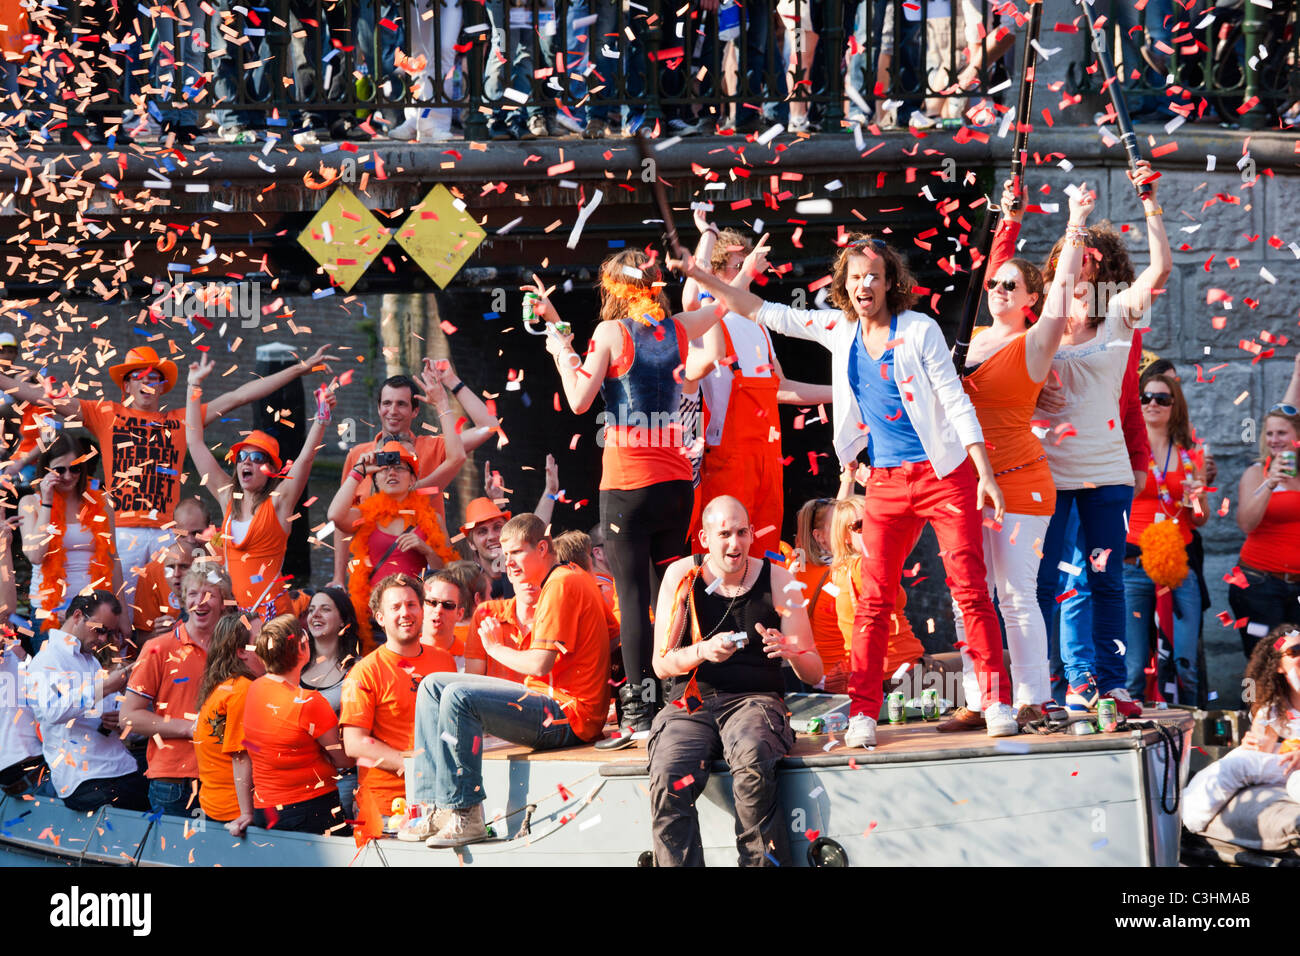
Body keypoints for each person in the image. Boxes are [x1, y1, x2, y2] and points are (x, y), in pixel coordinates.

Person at [686, 232, 1012, 744]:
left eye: (874, 277)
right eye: (856, 277)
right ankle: (863, 710)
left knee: (970, 590)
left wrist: (985, 474)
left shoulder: (920, 329)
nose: (864, 285)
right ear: (844, 284)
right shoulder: (838, 328)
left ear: (889, 284)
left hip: (943, 473)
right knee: (873, 598)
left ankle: (995, 700)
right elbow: (763, 310)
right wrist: (704, 278)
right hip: (883, 478)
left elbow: (955, 401)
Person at [527, 247, 732, 748]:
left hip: (628, 485)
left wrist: (559, 348)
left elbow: (578, 399)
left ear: (612, 288)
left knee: (636, 598)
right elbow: (726, 303)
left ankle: (640, 714)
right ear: (655, 283)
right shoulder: (680, 326)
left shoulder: (610, 333)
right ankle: (685, 696)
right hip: (675, 484)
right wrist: (738, 271)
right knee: (674, 592)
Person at [0, 343, 337, 584]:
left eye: (154, 376)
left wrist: (300, 367)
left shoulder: (181, 422)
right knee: (124, 616)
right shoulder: (104, 414)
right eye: (140, 376)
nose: (148, 382)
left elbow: (241, 395)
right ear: (127, 383)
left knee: (172, 617)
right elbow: (39, 397)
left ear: (162, 385)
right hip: (123, 533)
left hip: (169, 536)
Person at [945, 181, 1091, 727]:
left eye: (1013, 286)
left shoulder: (1034, 343)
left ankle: (1034, 696)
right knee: (968, 596)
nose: (1001, 288)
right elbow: (997, 263)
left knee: (1013, 593)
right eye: (997, 284)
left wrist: (1075, 218)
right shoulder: (968, 338)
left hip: (1018, 482)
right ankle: (982, 698)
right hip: (962, 482)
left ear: (1030, 299)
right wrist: (1009, 214)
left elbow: (1061, 294)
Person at [1033, 163, 1171, 717]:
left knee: (1104, 580)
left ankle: (1112, 684)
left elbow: (1160, 267)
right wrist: (1075, 222)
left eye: (1095, 267)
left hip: (1107, 476)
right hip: (1049, 475)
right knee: (1058, 582)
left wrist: (1150, 201)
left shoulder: (1117, 318)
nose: (1085, 275)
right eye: (1077, 267)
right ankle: (1062, 682)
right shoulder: (1039, 328)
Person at [399, 514, 617, 847]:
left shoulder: (560, 584)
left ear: (542, 548)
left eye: (516, 553)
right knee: (433, 686)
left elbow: (540, 664)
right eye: (505, 553)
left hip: (568, 715)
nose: (507, 562)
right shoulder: (573, 576)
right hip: (552, 704)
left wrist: (494, 648)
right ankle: (435, 807)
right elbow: (615, 635)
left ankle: (467, 812)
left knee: (458, 696)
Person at [648, 495, 822, 866]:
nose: (735, 543)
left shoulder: (779, 577)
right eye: (724, 533)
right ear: (704, 537)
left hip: (754, 700)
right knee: (667, 773)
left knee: (753, 757)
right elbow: (661, 665)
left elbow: (815, 671)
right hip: (690, 704)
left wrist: (791, 649)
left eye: (742, 532)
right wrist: (703, 651)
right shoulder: (682, 575)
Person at [682, 218, 833, 555]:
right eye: (738, 265)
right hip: (728, 456)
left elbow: (779, 388)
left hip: (767, 455)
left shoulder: (759, 326)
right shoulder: (708, 317)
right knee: (723, 551)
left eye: (748, 266)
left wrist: (841, 392)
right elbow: (691, 297)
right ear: (717, 273)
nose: (750, 274)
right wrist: (709, 234)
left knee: (764, 547)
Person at [187, 357, 336, 623]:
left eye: (257, 459)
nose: (246, 462)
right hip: (233, 618)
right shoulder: (227, 497)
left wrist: (321, 419)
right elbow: (195, 442)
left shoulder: (280, 502)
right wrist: (193, 385)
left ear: (270, 471)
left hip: (272, 616)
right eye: (243, 456)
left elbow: (305, 461)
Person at [332, 362, 498, 584]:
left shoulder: (433, 447)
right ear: (379, 407)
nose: (392, 411)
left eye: (401, 404)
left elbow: (489, 426)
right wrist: (338, 578)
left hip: (424, 575)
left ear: (415, 410)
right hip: (372, 578)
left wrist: (450, 384)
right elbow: (341, 521)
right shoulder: (359, 456)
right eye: (387, 403)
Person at [343, 573, 453, 843]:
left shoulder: (445, 662)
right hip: (387, 810)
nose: (405, 613)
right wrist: (416, 766)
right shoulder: (363, 672)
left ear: (422, 609)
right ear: (380, 617)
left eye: (411, 604)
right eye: (395, 607)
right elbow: (354, 744)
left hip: (442, 801)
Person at [1122, 373, 1208, 703]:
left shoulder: (1190, 454)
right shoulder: (1126, 449)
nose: (1152, 404)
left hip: (1178, 565)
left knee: (1185, 661)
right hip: (1133, 565)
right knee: (1132, 666)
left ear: (1174, 406)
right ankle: (1134, 734)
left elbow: (1199, 519)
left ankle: (1192, 739)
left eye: (1162, 398)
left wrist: (1197, 496)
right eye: (1145, 398)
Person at [121, 564, 233, 816]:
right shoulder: (157, 648)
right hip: (174, 780)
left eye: (209, 594)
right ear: (183, 601)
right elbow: (128, 717)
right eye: (193, 594)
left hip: (226, 777)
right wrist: (189, 728)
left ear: (224, 602)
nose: (200, 601)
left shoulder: (237, 650)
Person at [329, 439, 460, 652]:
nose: (392, 473)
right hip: (375, 621)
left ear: (412, 479)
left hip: (418, 619)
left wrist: (425, 549)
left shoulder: (432, 519)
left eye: (400, 468)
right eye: (384, 469)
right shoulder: (364, 516)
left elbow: (447, 575)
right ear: (376, 480)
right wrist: (359, 471)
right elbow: (335, 515)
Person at [25, 590, 147, 811]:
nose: (102, 639)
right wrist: (106, 686)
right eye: (100, 630)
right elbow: (51, 710)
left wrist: (121, 720)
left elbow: (110, 713)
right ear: (78, 616)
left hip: (120, 768)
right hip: (87, 779)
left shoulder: (91, 661)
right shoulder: (47, 659)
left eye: (108, 633)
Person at [241, 614, 355, 834]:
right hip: (309, 809)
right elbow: (344, 758)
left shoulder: (254, 689)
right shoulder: (308, 702)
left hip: (266, 810)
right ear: (302, 649)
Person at [1182, 625, 1300, 833]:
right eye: (1295, 652)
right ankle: (1184, 826)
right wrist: (1254, 743)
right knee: (1236, 761)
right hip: (1290, 767)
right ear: (1278, 666)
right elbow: (1260, 750)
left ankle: (1184, 829)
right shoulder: (1274, 706)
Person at [19, 432, 127, 634]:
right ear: (46, 469)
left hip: (95, 611)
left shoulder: (102, 503)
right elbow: (35, 555)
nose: (68, 476)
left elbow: (113, 558)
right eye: (60, 470)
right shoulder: (30, 503)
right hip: (50, 613)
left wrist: (123, 616)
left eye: (75, 468)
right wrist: (47, 503)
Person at [826, 496, 924, 703]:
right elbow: (908, 538)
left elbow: (841, 519)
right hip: (904, 672)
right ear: (845, 535)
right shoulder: (869, 565)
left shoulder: (839, 570)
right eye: (862, 525)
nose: (872, 529)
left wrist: (848, 477)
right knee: (999, 661)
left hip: (868, 674)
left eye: (876, 520)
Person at [1230, 404, 1300, 658]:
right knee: (1266, 661)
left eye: (1281, 433)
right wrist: (1270, 483)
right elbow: (1246, 524)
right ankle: (1256, 700)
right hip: (1259, 585)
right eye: (1269, 434)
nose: (1274, 440)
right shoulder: (1256, 473)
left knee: (1295, 662)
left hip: (1297, 589)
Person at [192, 614, 264, 835]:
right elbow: (241, 756)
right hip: (235, 813)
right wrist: (247, 813)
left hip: (216, 805)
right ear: (241, 652)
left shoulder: (224, 685)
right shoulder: (242, 690)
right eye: (262, 639)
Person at [301, 586, 362, 815]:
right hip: (299, 780)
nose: (315, 615)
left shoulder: (358, 668)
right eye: (311, 610)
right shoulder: (292, 665)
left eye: (325, 609)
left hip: (342, 780)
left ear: (343, 621)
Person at [0, 516, 45, 796]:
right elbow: (5, 610)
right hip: (18, 760)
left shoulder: (11, 640)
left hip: (31, 753)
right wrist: (3, 547)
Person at [130, 497, 212, 641]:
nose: (190, 540)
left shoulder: (224, 562)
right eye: (183, 535)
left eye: (196, 533)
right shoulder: (152, 572)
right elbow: (141, 639)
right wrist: (158, 634)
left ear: (209, 530)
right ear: (173, 531)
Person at [792, 496, 847, 692]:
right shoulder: (842, 572)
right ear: (820, 537)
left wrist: (848, 475)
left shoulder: (798, 569)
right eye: (841, 525)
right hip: (843, 678)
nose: (849, 530)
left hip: (813, 677)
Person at [464, 575, 539, 683]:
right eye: (520, 570)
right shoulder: (486, 612)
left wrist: (496, 649)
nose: (529, 580)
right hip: (493, 697)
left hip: (542, 697)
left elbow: (539, 667)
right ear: (509, 571)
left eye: (537, 572)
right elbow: (472, 681)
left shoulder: (558, 617)